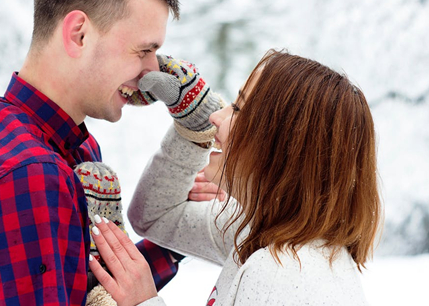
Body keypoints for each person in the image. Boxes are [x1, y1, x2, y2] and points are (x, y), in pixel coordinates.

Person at [0, 0, 220, 305]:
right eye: (144, 50)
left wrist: (173, 231)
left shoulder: (61, 146)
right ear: (78, 34)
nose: (151, 72)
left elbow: (81, 289)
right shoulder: (31, 177)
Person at [87, 49, 383, 305]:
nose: (217, 116)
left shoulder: (282, 274)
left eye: (238, 108)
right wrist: (192, 125)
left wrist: (143, 302)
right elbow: (155, 217)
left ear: (279, 145)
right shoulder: (260, 232)